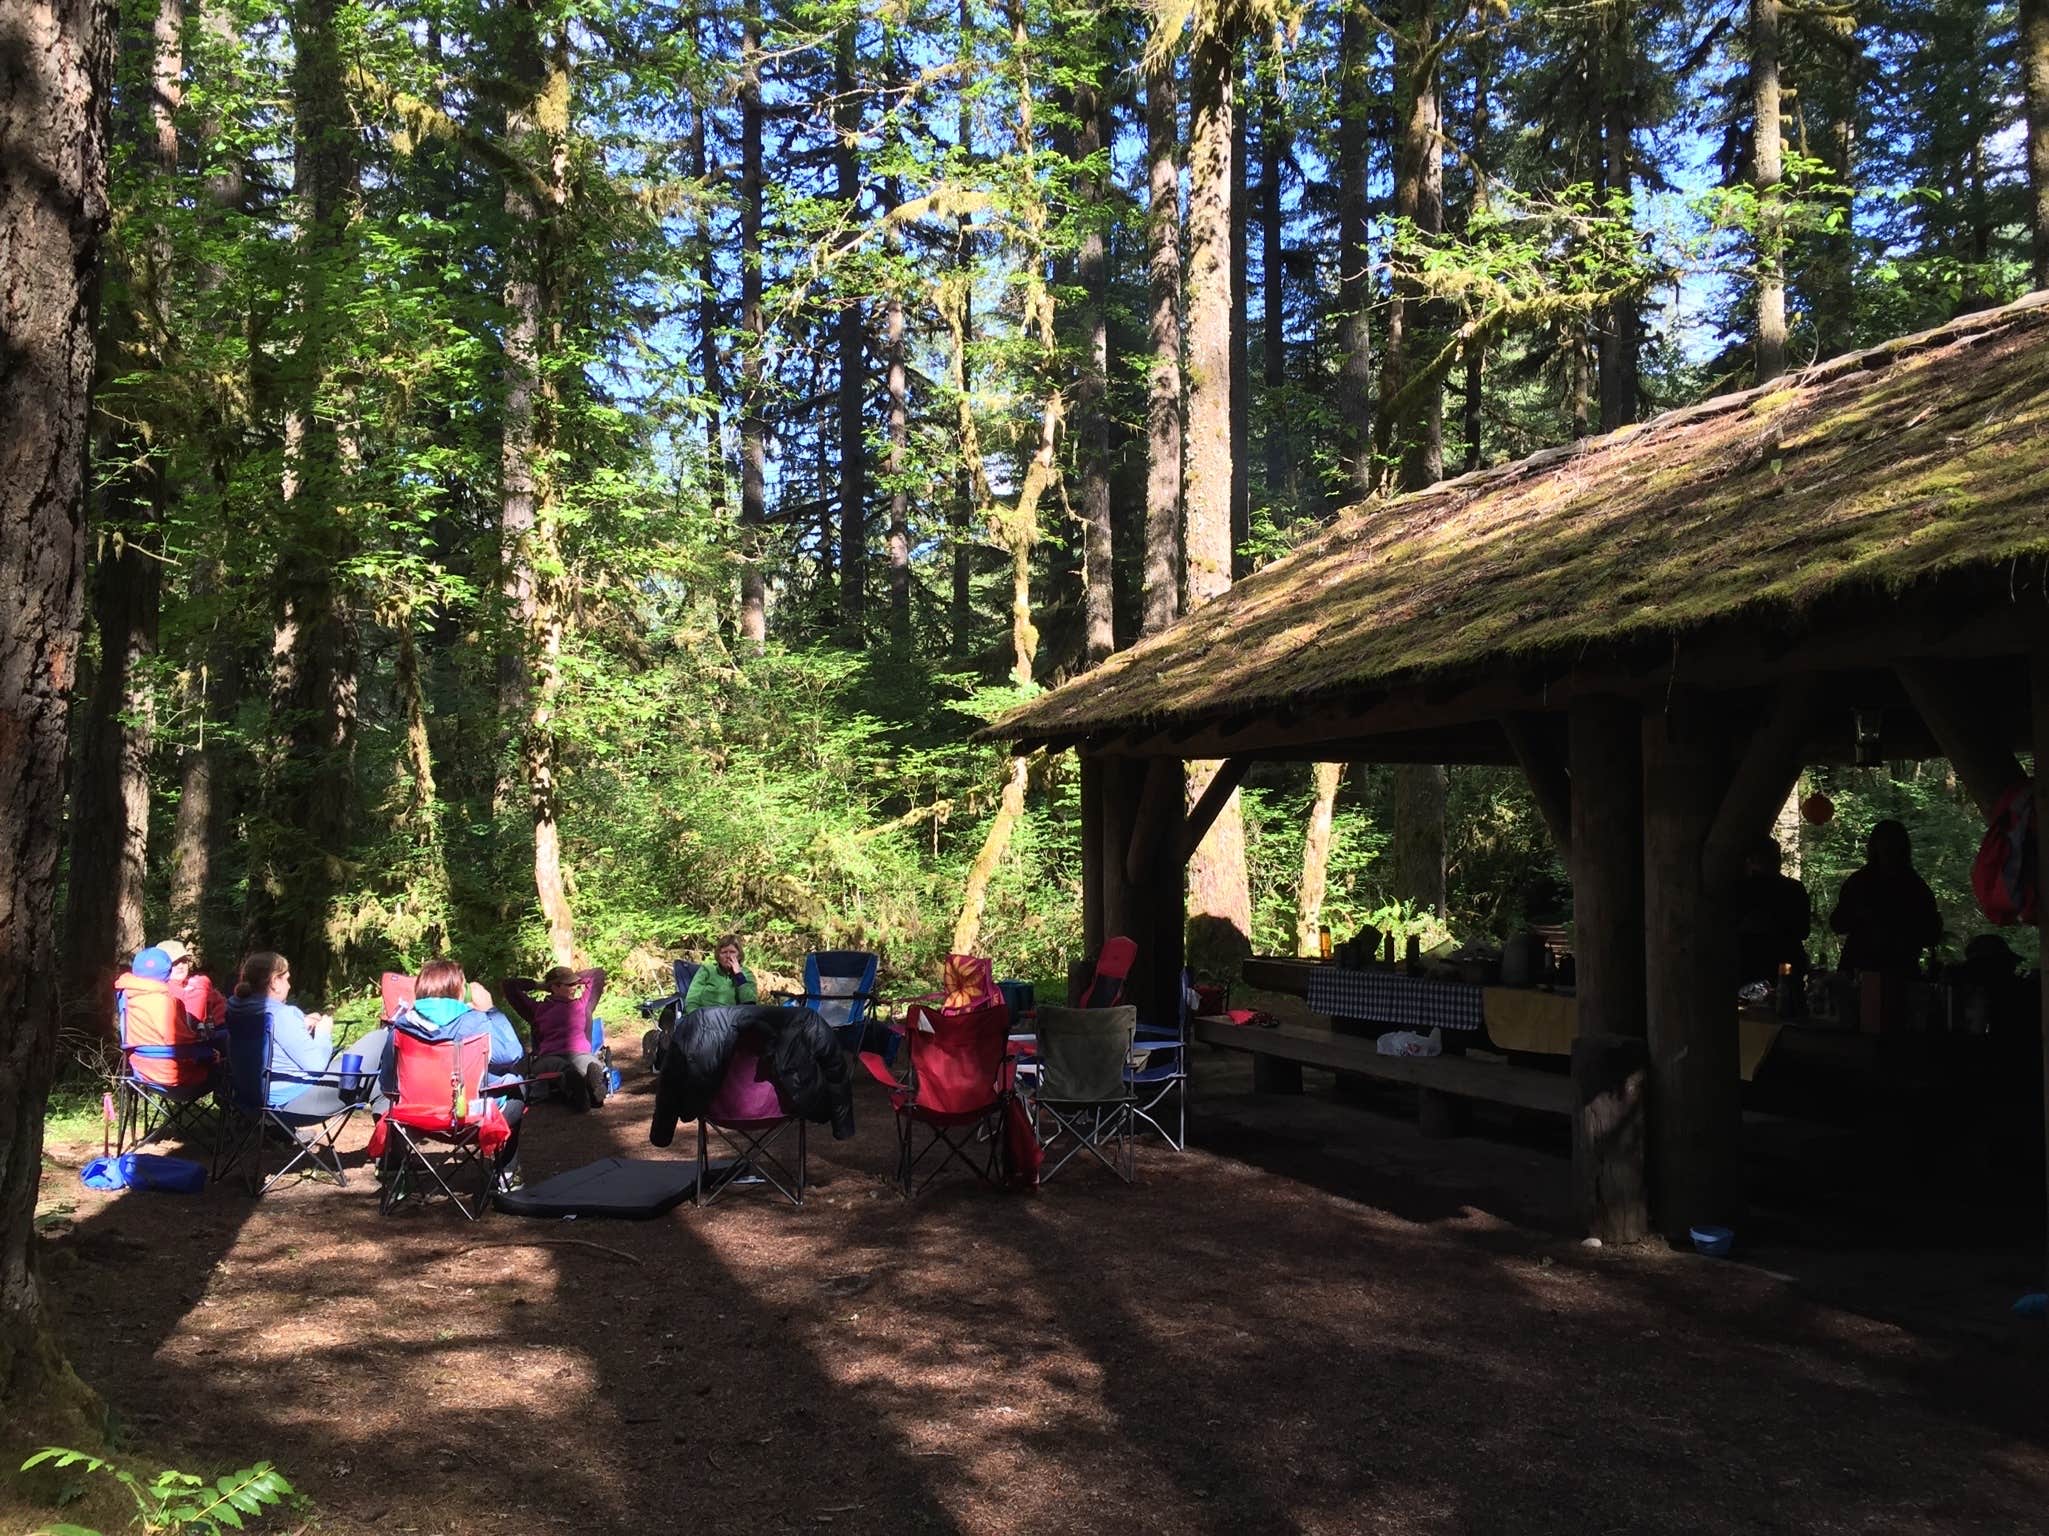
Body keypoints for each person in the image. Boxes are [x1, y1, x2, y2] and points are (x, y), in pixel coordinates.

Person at [384, 958, 529, 1190]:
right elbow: (513, 1054)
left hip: (415, 1120)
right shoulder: (476, 1022)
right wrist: (491, 1010)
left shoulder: (400, 1027)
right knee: (516, 1084)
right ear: (460, 990)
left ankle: (398, 1175)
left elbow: (387, 1086)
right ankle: (507, 1173)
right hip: (470, 1120)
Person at [1829, 818, 1943, 975]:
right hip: (1899, 969)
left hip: (1863, 968)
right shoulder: (1914, 885)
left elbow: (1838, 923)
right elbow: (1931, 934)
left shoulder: (1859, 881)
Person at [223, 952, 336, 1106]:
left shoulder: (235, 1010)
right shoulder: (282, 1015)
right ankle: (381, 1123)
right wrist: (323, 1032)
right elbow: (317, 1066)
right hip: (289, 1099)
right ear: (274, 982)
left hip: (248, 1097)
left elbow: (268, 1035)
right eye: (287, 979)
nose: (289, 986)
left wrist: (300, 1024)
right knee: (374, 1043)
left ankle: (278, 1131)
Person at [505, 964, 608, 1112]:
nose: (575, 987)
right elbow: (509, 986)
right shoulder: (536, 1009)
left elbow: (597, 974)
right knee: (563, 1069)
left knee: (589, 1063)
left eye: (576, 984)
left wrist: (574, 977)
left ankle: (590, 1091)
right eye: (569, 984)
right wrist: (539, 985)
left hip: (579, 1053)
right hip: (549, 1056)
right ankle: (581, 1091)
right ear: (555, 987)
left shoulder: (583, 1004)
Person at [1733, 836, 1811, 986]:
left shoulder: (1742, 889)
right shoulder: (1793, 888)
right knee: (1786, 998)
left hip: (1753, 963)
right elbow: (1803, 931)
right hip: (1784, 962)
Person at [155, 939, 226, 1029]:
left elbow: (221, 1008)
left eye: (184, 960)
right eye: (175, 963)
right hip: (177, 1039)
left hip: (207, 1036)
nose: (181, 966)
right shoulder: (157, 989)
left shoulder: (201, 982)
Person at [683, 935, 758, 1010]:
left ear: (739, 955)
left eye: (732, 952)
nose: (728, 956)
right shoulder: (707, 970)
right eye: (724, 952)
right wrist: (696, 1018)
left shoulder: (746, 973)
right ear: (718, 956)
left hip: (734, 1018)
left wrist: (739, 975)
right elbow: (692, 1000)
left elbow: (750, 1003)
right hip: (707, 1016)